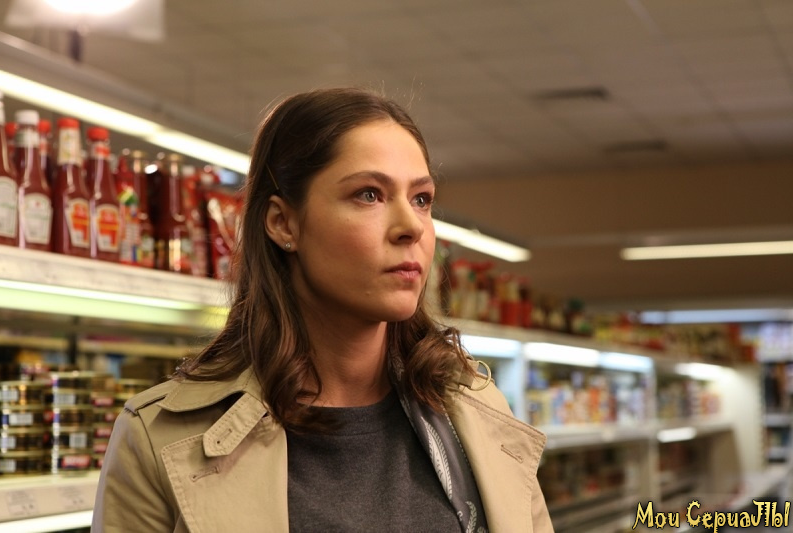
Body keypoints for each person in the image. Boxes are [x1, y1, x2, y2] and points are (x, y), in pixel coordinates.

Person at [92, 87, 553, 533]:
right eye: (369, 194)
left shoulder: (479, 412)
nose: (411, 227)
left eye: (421, 199)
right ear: (283, 223)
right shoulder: (158, 438)